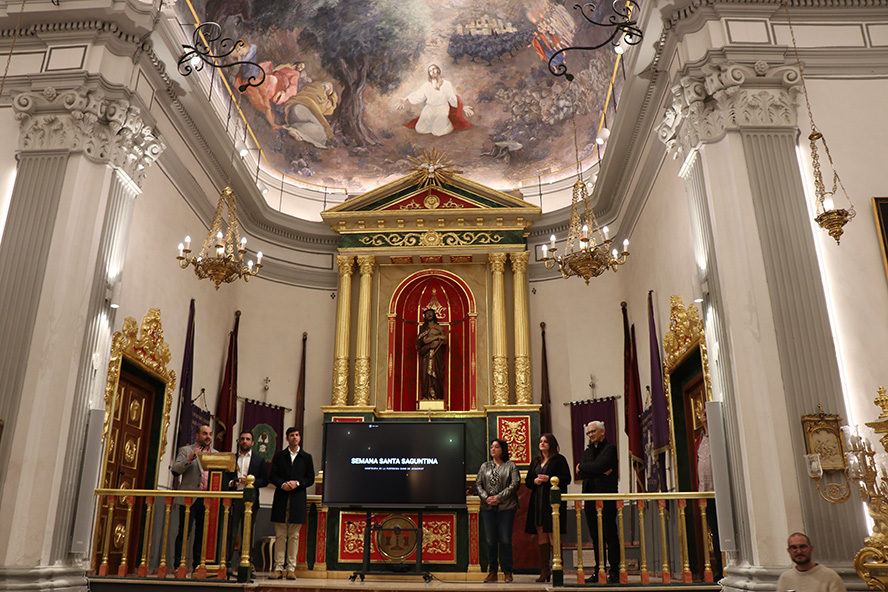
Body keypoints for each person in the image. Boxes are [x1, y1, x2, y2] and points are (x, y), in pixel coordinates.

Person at [576, 421, 620, 584]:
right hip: (589, 496)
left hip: (606, 497)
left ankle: (614, 571)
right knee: (595, 536)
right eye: (588, 433)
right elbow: (581, 471)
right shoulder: (588, 451)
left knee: (609, 534)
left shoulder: (610, 449)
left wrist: (587, 468)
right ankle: (599, 570)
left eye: (593, 432)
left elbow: (599, 465)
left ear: (602, 432)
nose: (591, 435)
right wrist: (596, 470)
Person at [525, 432, 571, 583]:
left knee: (553, 534)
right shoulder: (536, 461)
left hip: (551, 503)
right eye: (540, 441)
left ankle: (558, 568)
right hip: (537, 502)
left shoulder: (559, 460)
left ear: (551, 443)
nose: (542, 443)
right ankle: (545, 570)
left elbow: (567, 479)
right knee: (541, 533)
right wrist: (536, 481)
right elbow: (528, 481)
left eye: (545, 441)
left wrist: (549, 479)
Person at [269, 427, 315, 580]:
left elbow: (310, 478)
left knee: (294, 536)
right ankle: (278, 568)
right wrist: (282, 484)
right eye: (291, 436)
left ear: (300, 438)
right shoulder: (280, 456)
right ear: (287, 438)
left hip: (297, 499)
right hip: (282, 498)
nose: (294, 438)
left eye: (297, 435)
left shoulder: (306, 457)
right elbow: (273, 476)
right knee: (281, 535)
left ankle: (290, 568)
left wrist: (297, 483)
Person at [171, 424, 216, 569]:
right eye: (204, 434)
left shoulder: (216, 454)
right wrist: (190, 458)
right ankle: (179, 565)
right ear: (197, 435)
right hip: (189, 498)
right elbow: (175, 470)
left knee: (201, 535)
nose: (208, 437)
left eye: (210, 434)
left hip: (207, 500)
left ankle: (197, 566)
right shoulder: (186, 450)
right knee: (184, 533)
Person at [476, 439, 521, 583]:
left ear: (503, 449)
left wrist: (499, 498)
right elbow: (478, 484)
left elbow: (514, 484)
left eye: (496, 447)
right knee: (490, 540)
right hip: (487, 507)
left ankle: (508, 571)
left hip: (506, 506)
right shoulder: (485, 466)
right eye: (491, 447)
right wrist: (487, 497)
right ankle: (492, 571)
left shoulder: (511, 466)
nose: (493, 449)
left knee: (505, 539)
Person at [227, 430, 269, 571]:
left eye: (247, 439)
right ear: (239, 441)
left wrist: (253, 482)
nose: (245, 441)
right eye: (242, 439)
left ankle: (245, 562)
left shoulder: (259, 460)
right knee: (231, 531)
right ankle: (227, 562)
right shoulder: (231, 458)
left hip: (250, 500)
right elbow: (225, 478)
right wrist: (233, 483)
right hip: (234, 499)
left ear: (252, 442)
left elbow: (265, 480)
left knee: (248, 532)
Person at [398, 64, 474, 136]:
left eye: (434, 69)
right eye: (430, 71)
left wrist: (462, 107)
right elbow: (418, 95)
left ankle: (446, 125)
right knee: (420, 129)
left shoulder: (447, 84)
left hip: (442, 108)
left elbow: (452, 99)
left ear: (438, 70)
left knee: (438, 131)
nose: (432, 72)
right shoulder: (427, 85)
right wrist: (405, 99)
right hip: (429, 109)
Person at [696, 407, 722, 579]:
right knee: (714, 531)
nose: (703, 415)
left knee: (723, 532)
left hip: (721, 492)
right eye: (703, 413)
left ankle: (724, 567)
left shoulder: (718, 437)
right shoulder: (700, 439)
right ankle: (718, 569)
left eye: (707, 412)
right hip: (707, 493)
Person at [776, 533, 847, 592]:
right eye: (794, 548)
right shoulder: (785, 578)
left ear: (811, 549)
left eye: (803, 547)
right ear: (789, 551)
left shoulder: (830, 576)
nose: (799, 551)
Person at [283, 81, 339, 149]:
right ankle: (294, 129)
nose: (327, 97)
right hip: (302, 109)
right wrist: (331, 100)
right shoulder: (320, 90)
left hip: (293, 112)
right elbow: (327, 109)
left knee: (316, 126)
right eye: (328, 94)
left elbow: (327, 110)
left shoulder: (310, 88)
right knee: (321, 131)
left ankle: (296, 131)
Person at [415, 309, 447, 400]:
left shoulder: (439, 328)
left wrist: (440, 341)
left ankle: (437, 396)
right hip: (426, 354)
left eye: (430, 313)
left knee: (437, 374)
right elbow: (424, 340)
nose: (429, 315)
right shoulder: (424, 329)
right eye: (427, 313)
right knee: (426, 375)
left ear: (434, 315)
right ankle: (426, 395)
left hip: (437, 355)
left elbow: (444, 342)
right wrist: (437, 337)